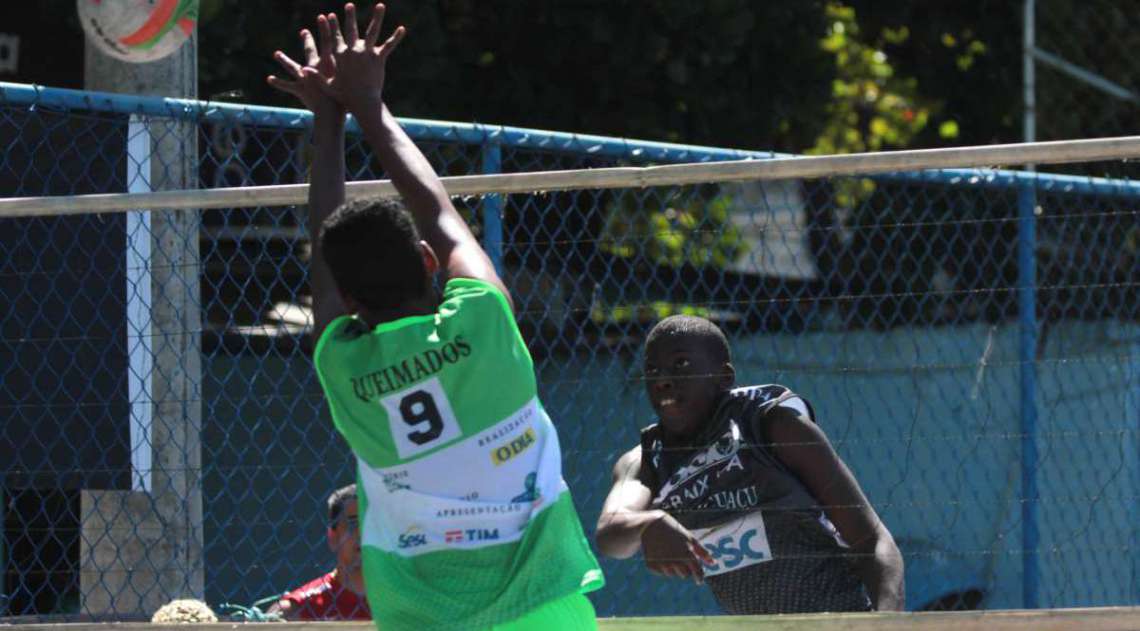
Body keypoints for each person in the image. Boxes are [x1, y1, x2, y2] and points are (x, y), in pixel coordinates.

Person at [266, 4, 603, 630]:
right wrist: (370, 105)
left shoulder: (343, 365)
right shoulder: (483, 320)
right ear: (427, 264)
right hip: (542, 606)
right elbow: (443, 217)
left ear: (348, 300)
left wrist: (328, 122)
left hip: (422, 617)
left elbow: (329, 264)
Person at [595, 315, 904, 614]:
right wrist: (648, 523)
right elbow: (610, 533)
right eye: (652, 370)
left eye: (681, 364)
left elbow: (873, 540)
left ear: (724, 377)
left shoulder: (772, 424)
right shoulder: (646, 460)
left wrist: (885, 624)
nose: (663, 380)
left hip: (839, 620)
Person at [268, 485, 371, 620]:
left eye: (374, 524)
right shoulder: (295, 611)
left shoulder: (406, 598)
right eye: (354, 523)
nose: (364, 533)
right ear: (333, 537)